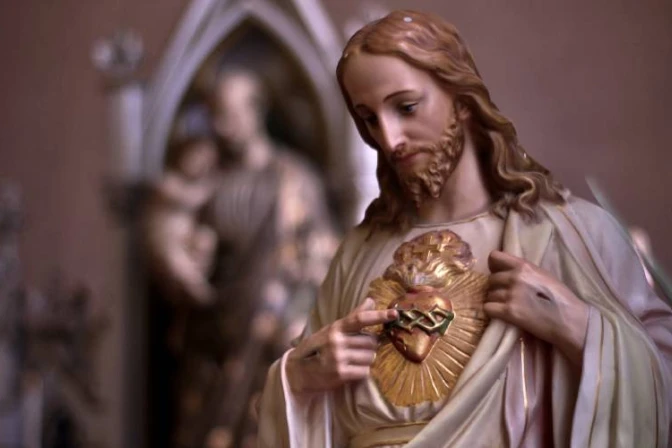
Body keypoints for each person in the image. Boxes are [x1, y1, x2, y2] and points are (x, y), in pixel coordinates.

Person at [257, 9, 672, 447]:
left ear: (462, 99)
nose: (390, 139)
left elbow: (662, 381)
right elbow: (300, 402)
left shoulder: (572, 235)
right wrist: (299, 377)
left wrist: (576, 325)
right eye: (369, 119)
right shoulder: (358, 251)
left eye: (406, 107)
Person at [172, 68, 339, 448]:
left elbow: (322, 259)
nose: (223, 127)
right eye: (217, 116)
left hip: (273, 332)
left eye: (232, 114)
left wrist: (295, 314)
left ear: (256, 111)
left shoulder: (295, 179)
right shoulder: (207, 183)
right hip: (213, 331)